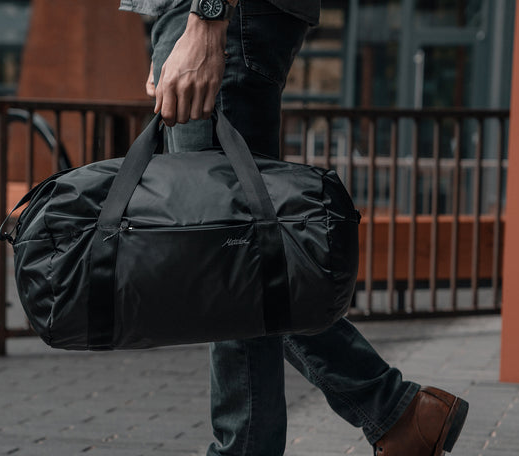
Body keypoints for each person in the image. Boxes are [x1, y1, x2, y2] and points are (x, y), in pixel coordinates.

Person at [119, 1, 469, 455]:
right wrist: (169, 28)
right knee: (236, 252)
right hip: (199, 18)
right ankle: (398, 413)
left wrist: (205, 19)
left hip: (221, 15)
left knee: (228, 253)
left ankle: (390, 410)